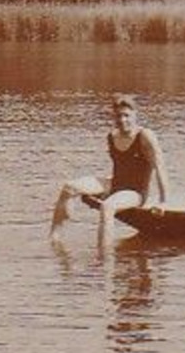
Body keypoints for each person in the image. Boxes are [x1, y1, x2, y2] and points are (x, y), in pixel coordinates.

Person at [50, 94, 170, 247]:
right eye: (118, 116)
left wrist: (163, 202)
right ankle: (55, 239)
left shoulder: (145, 136)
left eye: (127, 115)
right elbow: (122, 167)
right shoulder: (112, 136)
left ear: (135, 115)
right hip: (116, 183)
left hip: (136, 192)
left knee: (107, 207)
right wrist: (106, 188)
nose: (122, 120)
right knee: (69, 188)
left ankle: (105, 258)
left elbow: (160, 168)